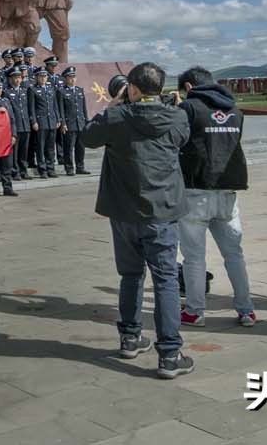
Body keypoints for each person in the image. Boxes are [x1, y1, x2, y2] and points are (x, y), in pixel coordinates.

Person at [79, 62, 194, 379]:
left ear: (132, 88)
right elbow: (183, 139)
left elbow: (87, 137)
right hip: (162, 211)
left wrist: (113, 105)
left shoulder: (116, 117)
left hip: (124, 212)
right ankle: (169, 354)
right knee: (165, 279)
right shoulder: (176, 116)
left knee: (130, 275)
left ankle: (130, 337)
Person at [174, 66, 256, 327]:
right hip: (228, 190)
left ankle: (195, 311)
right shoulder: (235, 110)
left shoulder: (188, 108)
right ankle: (246, 310)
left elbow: (176, 140)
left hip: (196, 190)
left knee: (194, 257)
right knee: (234, 254)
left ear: (189, 87)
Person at [29, 65, 63, 178]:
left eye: (45, 76)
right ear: (36, 77)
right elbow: (32, 107)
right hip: (41, 122)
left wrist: (58, 119)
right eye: (41, 76)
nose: (43, 78)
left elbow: (55, 105)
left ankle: (50, 168)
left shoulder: (51, 88)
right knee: (40, 147)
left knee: (50, 147)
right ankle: (42, 169)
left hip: (51, 121)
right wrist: (34, 121)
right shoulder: (33, 89)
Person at [56, 66, 91, 176]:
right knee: (68, 148)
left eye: (74, 77)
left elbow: (83, 108)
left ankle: (80, 167)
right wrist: (63, 123)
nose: (72, 79)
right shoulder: (61, 91)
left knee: (81, 147)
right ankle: (69, 168)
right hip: (69, 124)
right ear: (66, 78)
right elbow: (61, 109)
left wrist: (86, 122)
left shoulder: (79, 90)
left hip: (80, 122)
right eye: (70, 77)